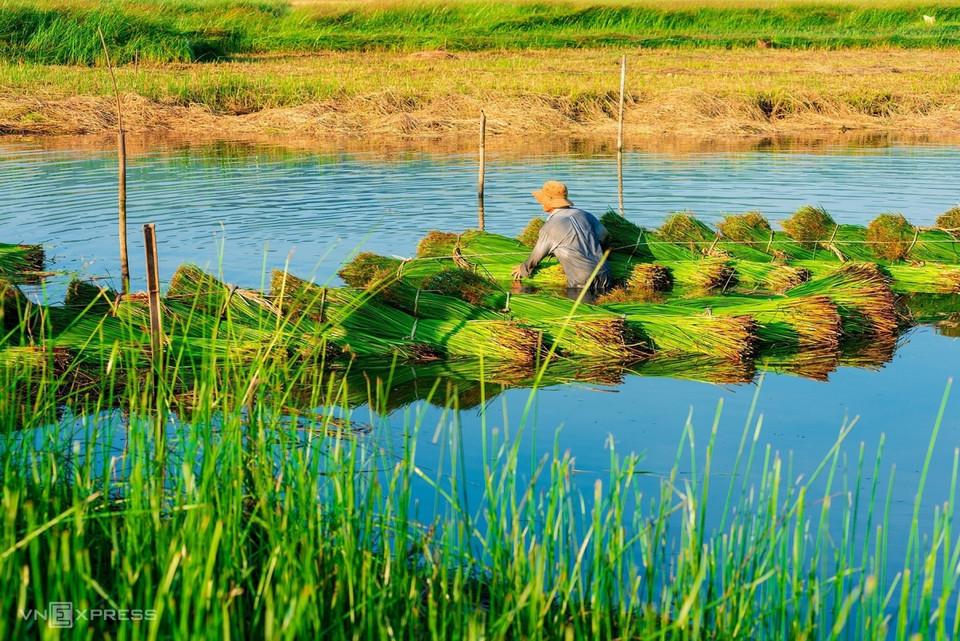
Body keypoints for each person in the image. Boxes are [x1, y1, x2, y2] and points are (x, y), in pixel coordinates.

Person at [510, 181, 612, 301]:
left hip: (581, 278)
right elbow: (604, 234)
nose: (541, 203)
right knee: (604, 308)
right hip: (604, 270)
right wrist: (598, 249)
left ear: (549, 201)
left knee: (582, 316)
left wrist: (524, 269)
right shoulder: (584, 214)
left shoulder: (550, 226)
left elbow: (537, 255)